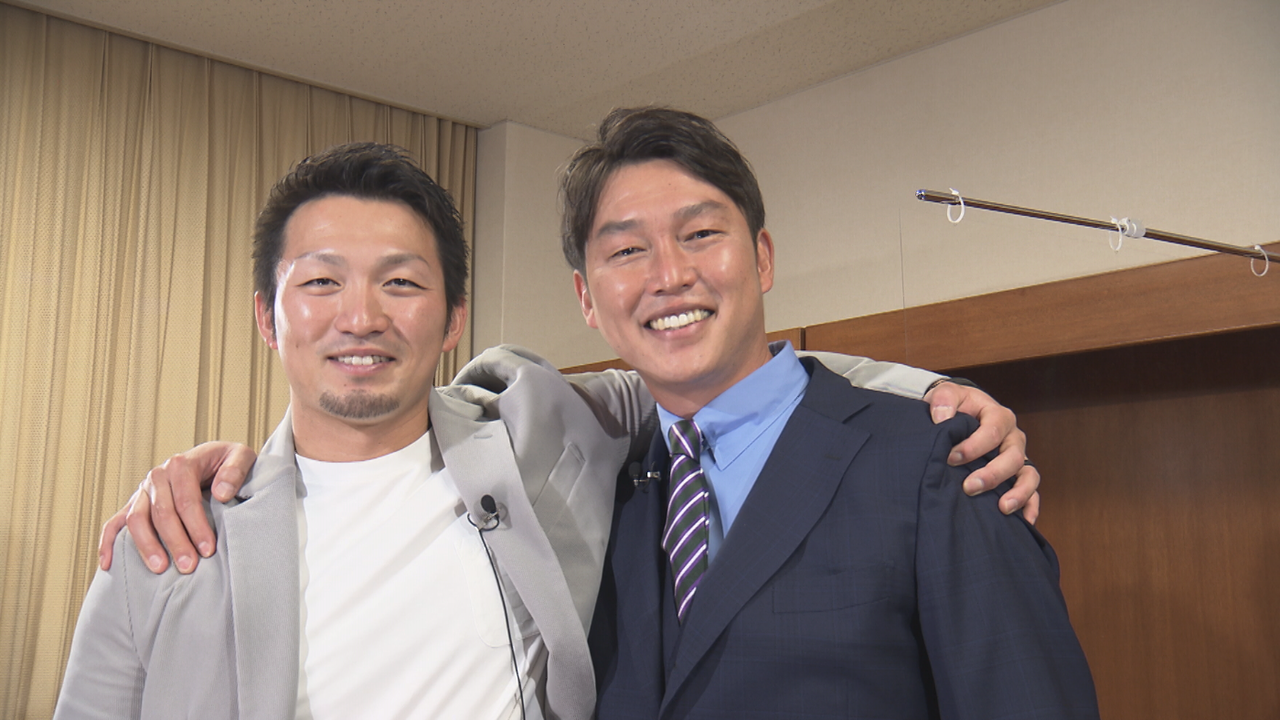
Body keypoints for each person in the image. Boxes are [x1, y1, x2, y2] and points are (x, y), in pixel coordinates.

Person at [83, 136, 1038, 718]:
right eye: (321, 282)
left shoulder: (535, 430)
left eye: (402, 282)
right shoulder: (172, 538)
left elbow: (722, 375)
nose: (361, 317)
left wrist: (941, 394)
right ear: (267, 316)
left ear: (453, 320)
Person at [561, 108, 1100, 718]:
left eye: (701, 234)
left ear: (763, 258)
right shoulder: (598, 500)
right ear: (587, 299)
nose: (670, 275)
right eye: (628, 249)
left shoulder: (939, 460)